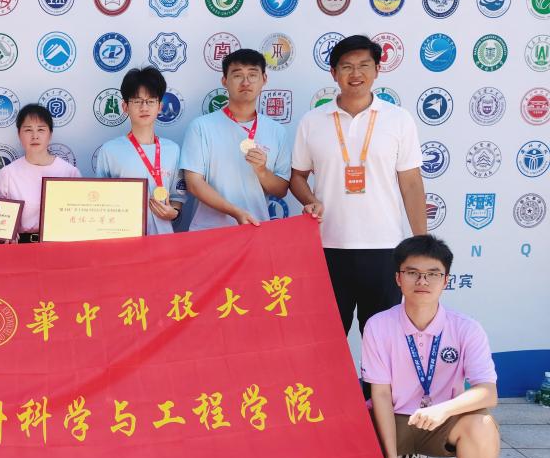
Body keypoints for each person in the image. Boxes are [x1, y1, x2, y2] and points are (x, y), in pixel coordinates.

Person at [362, 235, 499, 458]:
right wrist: (389, 457)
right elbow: (380, 393)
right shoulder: (378, 325)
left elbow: (488, 392)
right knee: (347, 432)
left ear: (446, 280)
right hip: (393, 418)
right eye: (412, 272)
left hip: (440, 423)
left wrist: (443, 410)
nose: (422, 281)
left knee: (482, 425)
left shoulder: (466, 328)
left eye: (432, 273)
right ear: (398, 278)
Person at [290, 35, 426, 336]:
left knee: (382, 341)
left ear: (377, 70)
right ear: (333, 73)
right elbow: (297, 176)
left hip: (384, 248)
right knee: (325, 338)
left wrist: (422, 245)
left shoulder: (398, 119)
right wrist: (310, 199)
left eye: (364, 65)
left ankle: (374, 375)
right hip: (327, 246)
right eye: (347, 66)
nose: (356, 74)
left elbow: (411, 184)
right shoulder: (313, 121)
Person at [180, 48, 291, 228]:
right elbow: (194, 184)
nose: (246, 82)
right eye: (238, 75)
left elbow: (281, 190)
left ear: (264, 79)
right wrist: (234, 211)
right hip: (208, 232)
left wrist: (262, 171)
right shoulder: (201, 127)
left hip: (256, 228)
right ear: (224, 81)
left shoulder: (277, 131)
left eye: (252, 75)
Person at [94, 66, 184, 234]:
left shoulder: (173, 150)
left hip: (163, 239)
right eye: (137, 101)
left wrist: (174, 213)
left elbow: (177, 197)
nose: (144, 107)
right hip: (122, 239)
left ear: (160, 106)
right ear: (125, 107)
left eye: (150, 101)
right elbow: (100, 202)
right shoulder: (110, 150)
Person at [0, 104, 80, 242]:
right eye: (28, 130)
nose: (35, 136)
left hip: (60, 245)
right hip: (21, 247)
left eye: (41, 130)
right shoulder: (8, 173)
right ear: (19, 134)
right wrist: (4, 230)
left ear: (50, 134)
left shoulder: (69, 172)